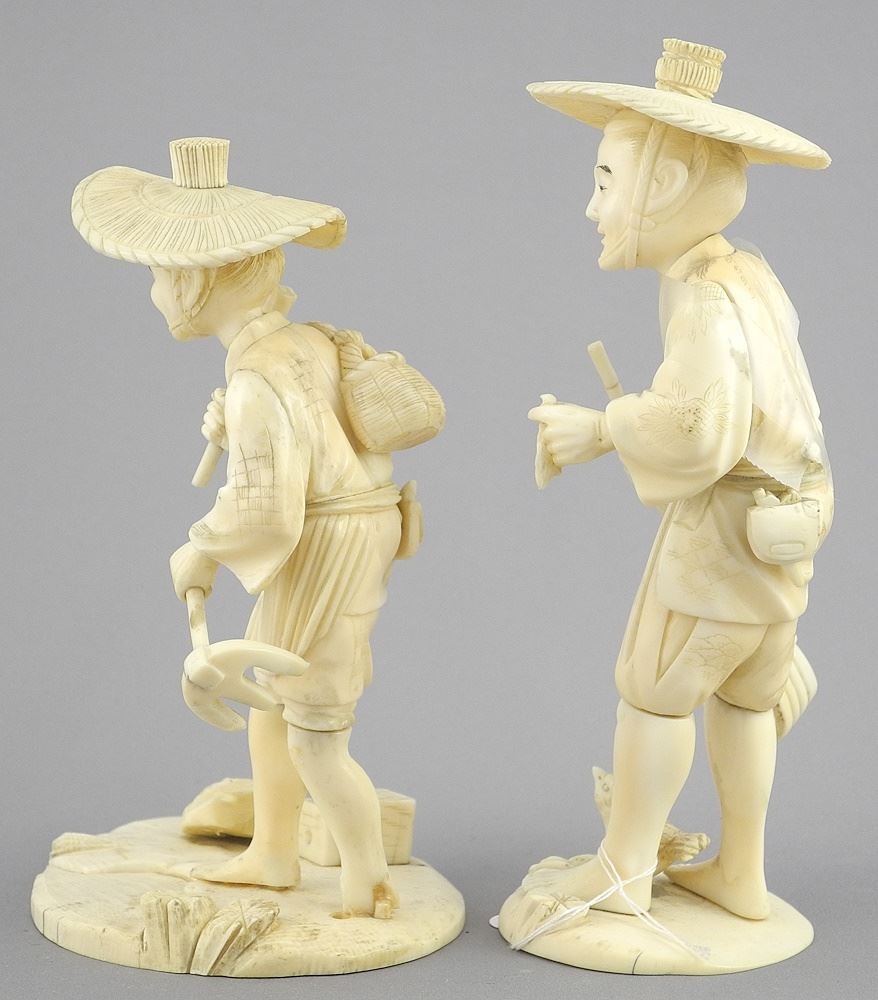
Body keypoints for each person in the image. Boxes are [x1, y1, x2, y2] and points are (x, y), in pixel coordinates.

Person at [72, 137, 442, 918]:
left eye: (160, 277)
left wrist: (200, 548)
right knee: (273, 703)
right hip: (355, 535)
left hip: (327, 549)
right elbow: (326, 441)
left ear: (196, 282)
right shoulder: (312, 341)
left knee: (314, 731)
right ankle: (274, 853)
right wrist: (242, 427)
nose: (155, 294)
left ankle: (367, 880)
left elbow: (265, 505)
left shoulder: (253, 379)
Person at [522, 40, 832, 925]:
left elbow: (701, 431)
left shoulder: (703, 298)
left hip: (722, 545)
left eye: (606, 181)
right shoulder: (750, 275)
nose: (593, 207)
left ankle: (624, 870)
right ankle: (741, 873)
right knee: (746, 703)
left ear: (661, 186)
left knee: (654, 696)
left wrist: (601, 426)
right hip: (783, 537)